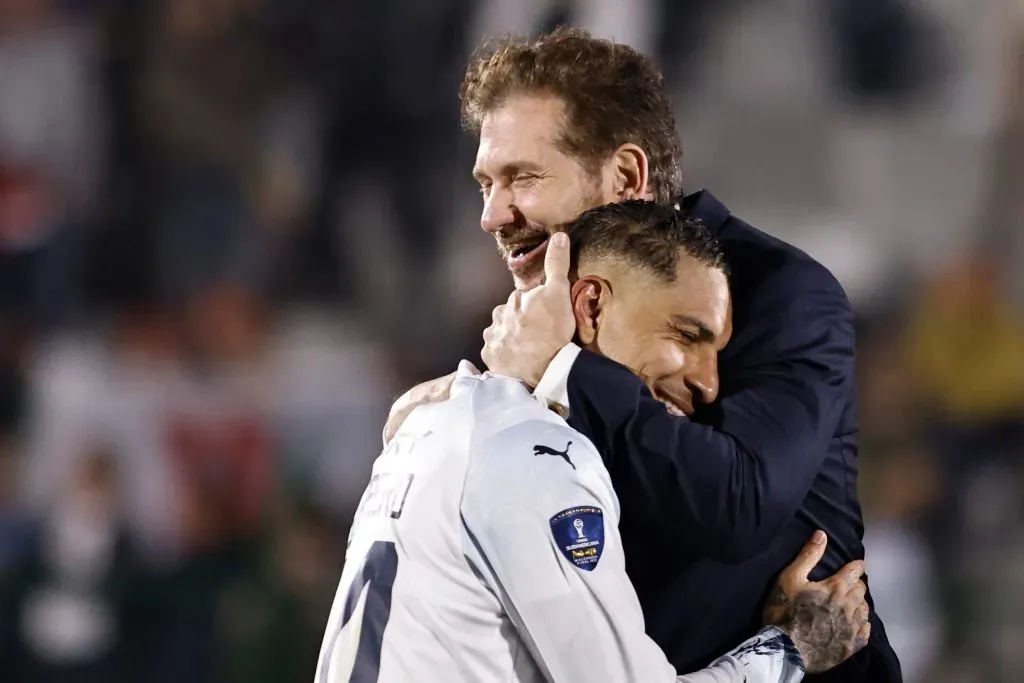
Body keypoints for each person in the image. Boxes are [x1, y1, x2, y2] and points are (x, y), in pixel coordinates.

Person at [387, 28, 902, 682]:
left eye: (523, 177)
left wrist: (562, 371)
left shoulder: (778, 291)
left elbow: (739, 505)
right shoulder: (540, 325)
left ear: (627, 175)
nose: (492, 214)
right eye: (486, 182)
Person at [318, 202, 870, 683]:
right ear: (591, 306)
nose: (709, 384)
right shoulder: (538, 457)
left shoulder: (429, 422)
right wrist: (789, 648)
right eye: (685, 334)